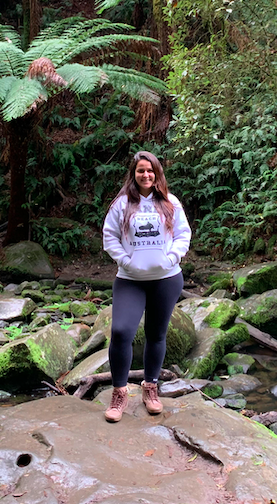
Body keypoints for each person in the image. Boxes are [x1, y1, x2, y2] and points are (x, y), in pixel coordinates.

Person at [101, 151, 191, 422]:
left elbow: (183, 234)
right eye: (141, 170)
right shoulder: (122, 204)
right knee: (121, 332)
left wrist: (172, 258)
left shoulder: (170, 202)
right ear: (134, 173)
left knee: (156, 334)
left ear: (157, 173)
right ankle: (119, 393)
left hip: (167, 279)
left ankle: (150, 388)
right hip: (130, 280)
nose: (146, 175)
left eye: (150, 170)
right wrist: (125, 260)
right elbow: (109, 236)